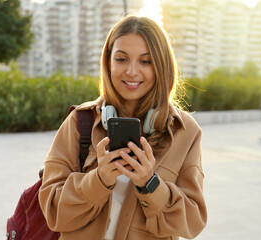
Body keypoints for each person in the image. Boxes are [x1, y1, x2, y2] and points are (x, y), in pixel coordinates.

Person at [39, 15, 207, 240]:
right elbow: (53, 211)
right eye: (121, 59)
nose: (131, 72)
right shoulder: (80, 122)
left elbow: (192, 223)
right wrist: (99, 180)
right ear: (108, 63)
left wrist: (150, 183)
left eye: (145, 61)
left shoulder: (185, 132)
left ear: (161, 66)